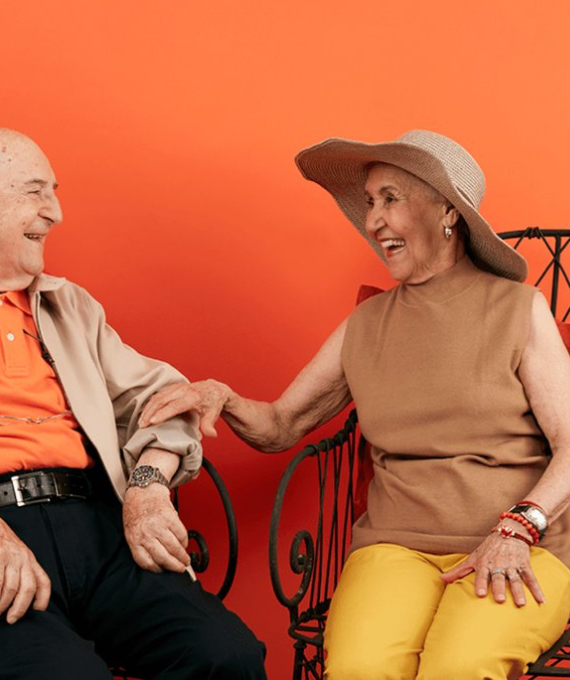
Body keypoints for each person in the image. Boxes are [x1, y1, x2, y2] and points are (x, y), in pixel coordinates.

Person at [140, 130, 570, 679]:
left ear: (448, 211)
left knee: (459, 667)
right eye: (370, 203)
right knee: (358, 669)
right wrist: (221, 396)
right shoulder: (365, 325)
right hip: (395, 546)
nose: (373, 222)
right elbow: (280, 424)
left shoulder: (518, 309)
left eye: (391, 199)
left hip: (520, 546)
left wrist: (518, 528)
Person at [0, 128, 267, 680]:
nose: (56, 212)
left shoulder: (69, 306)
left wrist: (147, 486)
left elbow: (165, 398)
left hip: (98, 525)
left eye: (55, 191)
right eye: (35, 192)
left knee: (227, 656)